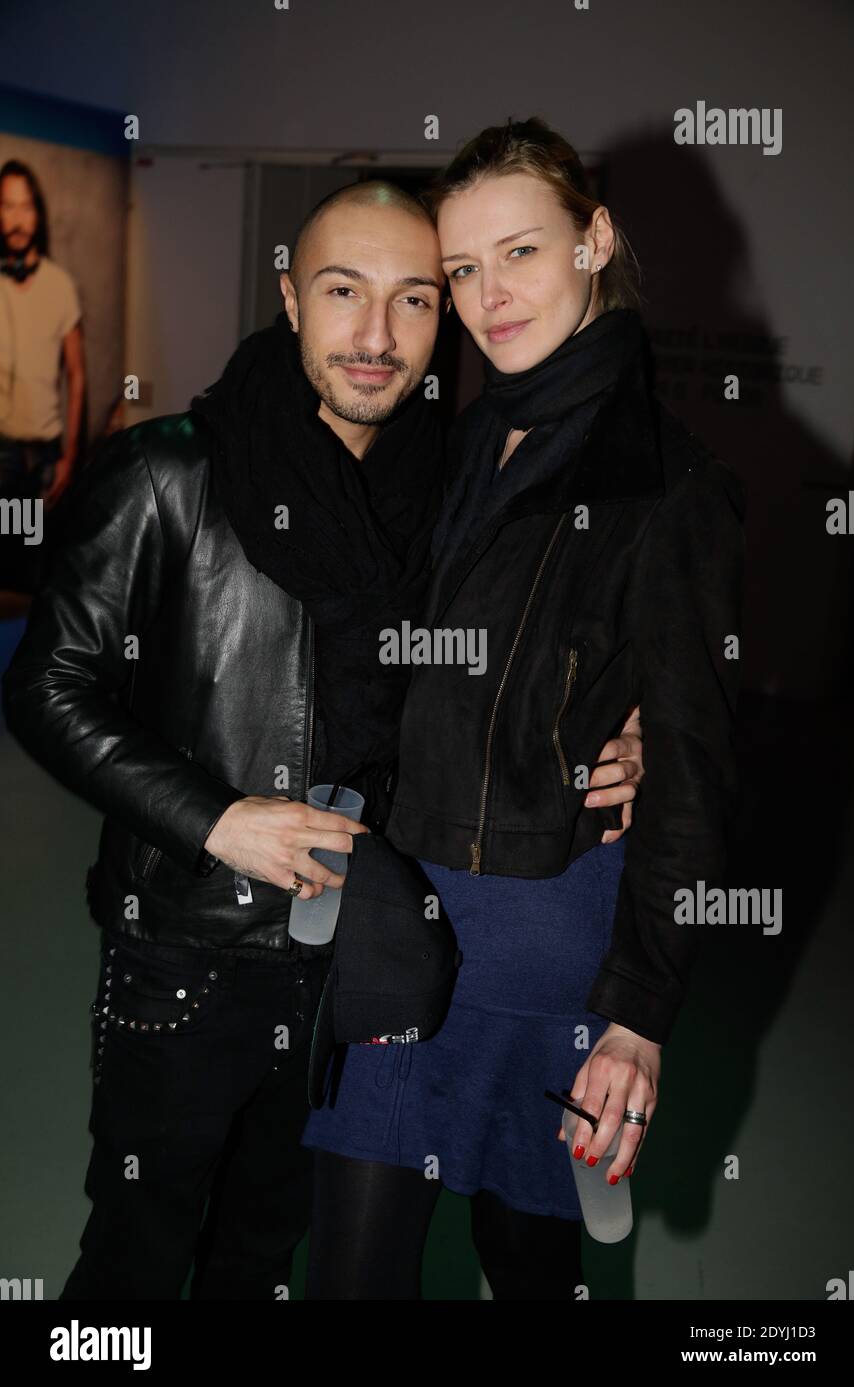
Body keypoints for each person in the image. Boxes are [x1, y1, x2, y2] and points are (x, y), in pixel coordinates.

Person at [1, 176, 645, 1300]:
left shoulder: (438, 503)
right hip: (184, 952)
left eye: (413, 301)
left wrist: (615, 723)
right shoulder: (170, 475)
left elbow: (505, 669)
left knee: (259, 1255)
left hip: (336, 963)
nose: (375, 334)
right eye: (344, 291)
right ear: (290, 298)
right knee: (132, 1265)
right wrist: (217, 819)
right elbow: (46, 687)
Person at [302, 119, 745, 1301]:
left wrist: (638, 1015)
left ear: (594, 240)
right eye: (462, 270)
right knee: (350, 1266)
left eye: (521, 254)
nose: (488, 297)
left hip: (550, 946)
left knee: (528, 1268)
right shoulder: (451, 443)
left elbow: (694, 771)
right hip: (400, 918)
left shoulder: (668, 484)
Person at [0, 160, 85, 600]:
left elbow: (77, 374)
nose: (17, 219)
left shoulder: (60, 285)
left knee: (34, 576)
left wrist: (71, 455)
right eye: (7, 206)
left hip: (41, 458)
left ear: (38, 215)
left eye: (26, 207)